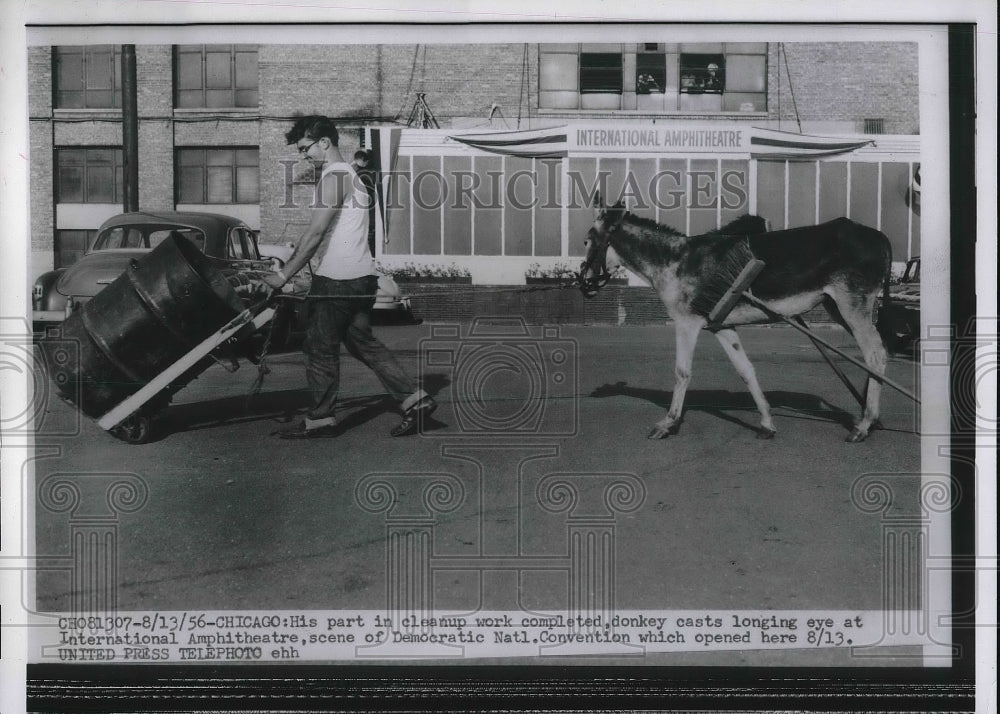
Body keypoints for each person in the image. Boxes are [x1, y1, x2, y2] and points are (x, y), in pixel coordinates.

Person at [261, 115, 435, 439]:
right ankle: (415, 399)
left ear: (324, 142)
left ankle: (320, 420)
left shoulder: (334, 176)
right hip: (361, 277)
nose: (303, 156)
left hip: (339, 281)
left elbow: (315, 233)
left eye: (305, 148)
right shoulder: (353, 177)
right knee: (361, 342)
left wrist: (283, 274)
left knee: (317, 347)